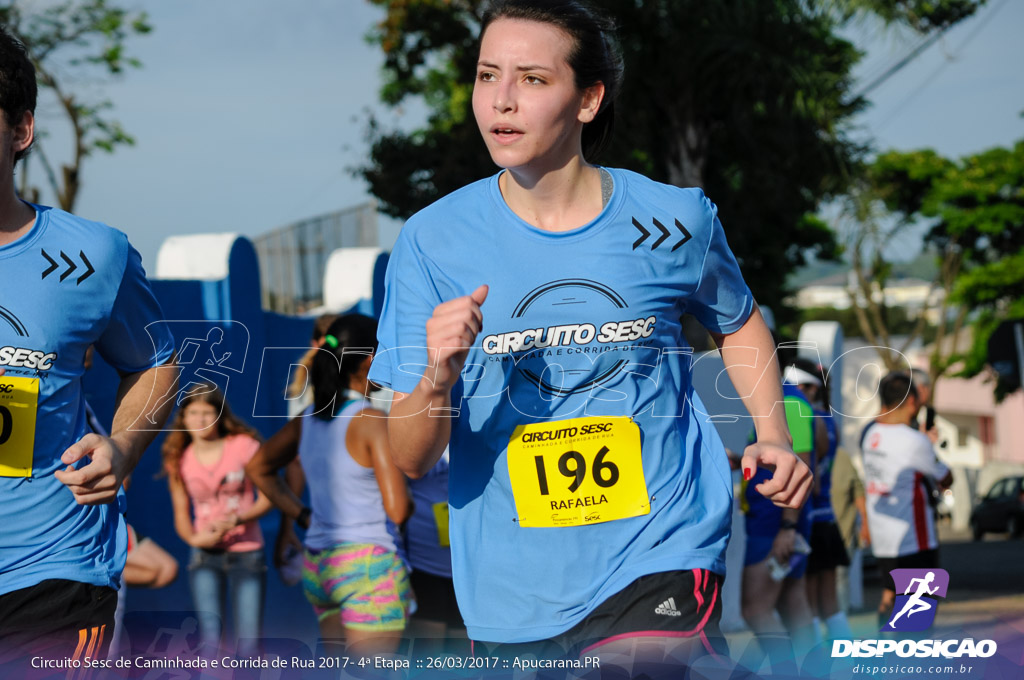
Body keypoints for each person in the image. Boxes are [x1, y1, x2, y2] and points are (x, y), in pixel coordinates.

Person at [366, 0, 812, 662]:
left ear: (589, 99)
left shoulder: (675, 221)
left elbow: (738, 319)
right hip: (513, 583)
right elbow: (410, 458)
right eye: (488, 76)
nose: (502, 101)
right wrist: (438, 372)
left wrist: (773, 435)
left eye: (533, 79)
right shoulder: (433, 241)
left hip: (660, 545)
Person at [0, 26, 177, 665]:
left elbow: (156, 362)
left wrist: (124, 447)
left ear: (21, 130)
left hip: (53, 567)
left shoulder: (92, 254)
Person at [247, 314, 414, 656]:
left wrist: (304, 515)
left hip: (320, 565)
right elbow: (399, 509)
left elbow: (258, 467)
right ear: (370, 361)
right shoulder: (371, 421)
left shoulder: (306, 419)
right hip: (370, 565)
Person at [161, 389, 271, 655]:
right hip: (204, 557)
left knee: (248, 643)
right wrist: (196, 540)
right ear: (183, 418)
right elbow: (181, 514)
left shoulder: (243, 445)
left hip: (247, 554)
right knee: (210, 642)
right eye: (193, 413)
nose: (200, 420)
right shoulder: (178, 456)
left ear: (220, 416)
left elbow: (269, 498)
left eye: (207, 412)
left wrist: (238, 519)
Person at [740, 361, 820, 663]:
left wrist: (787, 528)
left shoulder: (788, 403)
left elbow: (798, 471)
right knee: (793, 602)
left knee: (756, 610)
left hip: (775, 526)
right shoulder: (787, 402)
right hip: (783, 524)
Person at [861, 371, 952, 629]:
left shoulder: (868, 433)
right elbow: (946, 478)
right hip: (915, 541)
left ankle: (885, 657)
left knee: (892, 599)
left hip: (884, 543)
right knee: (919, 622)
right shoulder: (915, 441)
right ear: (912, 401)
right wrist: (929, 446)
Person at [801, 361, 853, 642]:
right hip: (828, 519)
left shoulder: (808, 418)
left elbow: (813, 480)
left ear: (811, 387)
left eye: (798, 386)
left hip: (811, 520)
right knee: (830, 604)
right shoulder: (830, 420)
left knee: (806, 604)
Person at [403, 449, 466, 647]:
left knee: (461, 659)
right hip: (422, 566)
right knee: (427, 657)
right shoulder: (405, 429)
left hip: (464, 569)